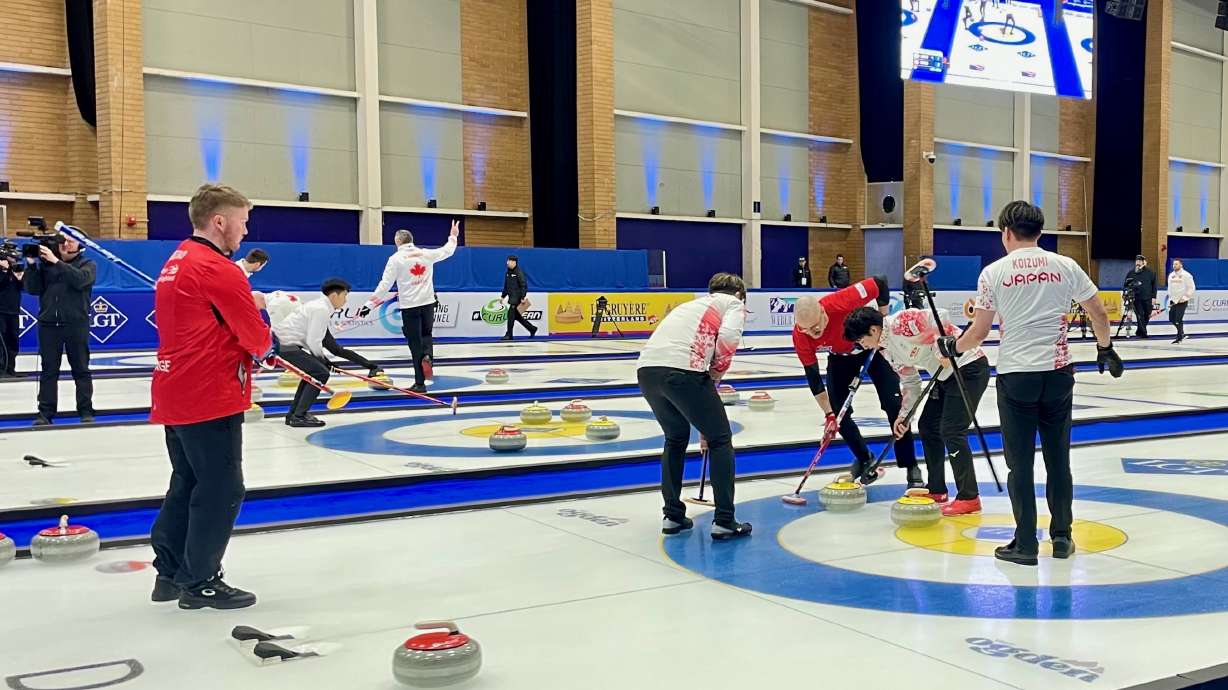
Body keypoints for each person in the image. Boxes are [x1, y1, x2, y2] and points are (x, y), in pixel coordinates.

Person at [946, 200, 1122, 566]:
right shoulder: (1065, 265)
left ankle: (1025, 544)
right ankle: (1062, 538)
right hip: (1058, 374)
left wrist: (952, 346)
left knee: (1020, 465)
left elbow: (978, 333)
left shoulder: (993, 273)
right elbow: (1099, 312)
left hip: (1016, 377)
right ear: (1040, 232)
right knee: (1059, 460)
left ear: (1006, 233)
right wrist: (1105, 349)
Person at [149, 183, 273, 610]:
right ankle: (200, 579)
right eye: (242, 221)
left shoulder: (179, 259)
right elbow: (255, 337)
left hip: (176, 388)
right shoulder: (218, 268)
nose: (245, 230)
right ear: (219, 221)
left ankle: (169, 572)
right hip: (208, 392)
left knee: (187, 481)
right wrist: (259, 315)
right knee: (222, 487)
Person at [843, 305, 990, 515]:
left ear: (873, 330)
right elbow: (911, 383)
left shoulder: (901, 322)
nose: (863, 346)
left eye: (861, 340)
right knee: (928, 426)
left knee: (952, 430)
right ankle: (937, 489)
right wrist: (903, 417)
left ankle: (969, 496)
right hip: (944, 378)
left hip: (968, 366)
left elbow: (941, 316)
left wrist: (945, 348)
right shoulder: (887, 351)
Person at [637, 273, 751, 541]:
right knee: (720, 438)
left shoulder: (691, 305)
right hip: (683, 370)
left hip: (647, 372)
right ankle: (724, 520)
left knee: (675, 438)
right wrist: (714, 377)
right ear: (738, 294)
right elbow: (728, 340)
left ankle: (673, 516)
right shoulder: (733, 304)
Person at [792, 277, 922, 486]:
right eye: (805, 330)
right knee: (839, 413)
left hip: (872, 349)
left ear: (823, 313)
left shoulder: (839, 301)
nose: (812, 335)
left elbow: (880, 283)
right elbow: (813, 377)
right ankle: (864, 459)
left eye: (816, 329)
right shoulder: (801, 335)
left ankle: (910, 465)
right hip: (840, 358)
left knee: (894, 405)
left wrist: (883, 316)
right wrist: (828, 414)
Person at [362, 221, 458, 393]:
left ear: (398, 242)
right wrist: (453, 235)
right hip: (428, 303)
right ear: (411, 240)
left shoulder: (395, 259)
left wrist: (369, 305)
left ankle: (420, 383)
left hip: (410, 306)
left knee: (415, 344)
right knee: (426, 334)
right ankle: (428, 356)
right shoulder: (425, 253)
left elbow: (385, 285)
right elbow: (447, 251)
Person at [23, 233, 96, 425]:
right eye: (63, 240)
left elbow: (80, 280)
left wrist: (56, 262)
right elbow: (32, 289)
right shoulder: (46, 267)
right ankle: (45, 413)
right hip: (48, 325)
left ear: (80, 245)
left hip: (76, 324)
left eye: (71, 240)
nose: (65, 244)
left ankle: (86, 410)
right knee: (48, 371)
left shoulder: (87, 264)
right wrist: (31, 265)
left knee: (80, 369)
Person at [273, 279, 356, 428]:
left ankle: (294, 414)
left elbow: (310, 340)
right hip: (286, 345)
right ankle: (299, 415)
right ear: (334, 296)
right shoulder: (321, 309)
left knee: (313, 373)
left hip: (285, 344)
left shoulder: (319, 306)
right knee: (320, 373)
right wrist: (323, 360)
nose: (345, 301)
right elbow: (313, 341)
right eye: (344, 296)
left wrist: (323, 360)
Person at [500, 255, 537, 340]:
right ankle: (532, 329)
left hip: (516, 298)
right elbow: (506, 286)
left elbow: (524, 285)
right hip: (511, 298)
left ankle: (509, 335)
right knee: (516, 316)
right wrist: (502, 297)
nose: (507, 263)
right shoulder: (507, 273)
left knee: (510, 316)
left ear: (514, 262)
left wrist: (523, 297)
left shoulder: (519, 272)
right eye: (507, 261)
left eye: (509, 261)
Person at [0, 256, 25, 377]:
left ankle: (10, 368)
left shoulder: (16, 270)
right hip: (1, 311)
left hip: (14, 311)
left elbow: (24, 288)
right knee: (1, 341)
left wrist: (20, 279)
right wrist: (5, 271)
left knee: (13, 340)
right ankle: (1, 369)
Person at [1124, 254, 1157, 338]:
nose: (1137, 262)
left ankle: (1140, 330)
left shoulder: (1151, 272)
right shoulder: (1131, 273)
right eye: (1136, 261)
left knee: (1147, 314)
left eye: (1139, 261)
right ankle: (1143, 333)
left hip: (1148, 298)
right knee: (1140, 315)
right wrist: (1125, 294)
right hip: (1136, 298)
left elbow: (1154, 286)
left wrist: (1154, 297)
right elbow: (1126, 285)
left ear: (1143, 262)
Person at [1167, 259, 1195, 344]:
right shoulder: (1171, 275)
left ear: (1181, 265)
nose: (1174, 266)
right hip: (1173, 301)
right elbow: (1170, 288)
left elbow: (1191, 287)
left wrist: (1185, 297)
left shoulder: (1186, 275)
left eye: (1176, 264)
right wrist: (1171, 298)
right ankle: (1182, 333)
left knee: (1178, 319)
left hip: (1182, 301)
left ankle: (1179, 337)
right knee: (1171, 318)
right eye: (1173, 264)